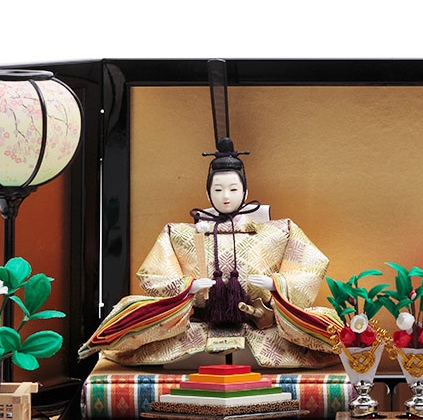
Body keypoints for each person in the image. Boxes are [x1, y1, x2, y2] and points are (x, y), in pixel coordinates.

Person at [78, 140, 338, 368]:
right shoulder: (179, 234)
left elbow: (312, 266)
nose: (225, 196)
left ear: (245, 192)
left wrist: (276, 284)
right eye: (218, 190)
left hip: (261, 327)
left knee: (328, 330)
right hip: (196, 329)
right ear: (207, 192)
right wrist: (187, 287)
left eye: (233, 190)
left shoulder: (278, 231)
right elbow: (151, 274)